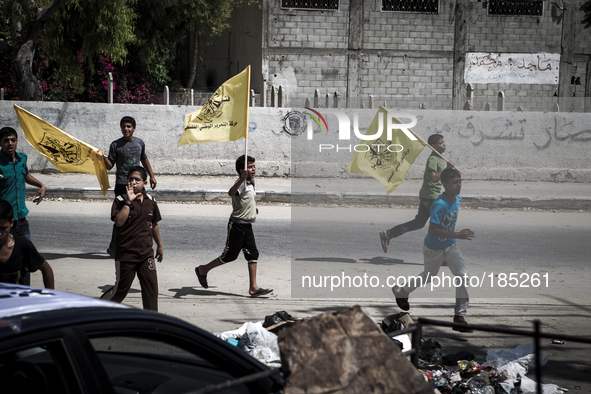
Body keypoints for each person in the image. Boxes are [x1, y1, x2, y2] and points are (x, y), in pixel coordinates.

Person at [392, 168, 475, 332]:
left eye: (460, 182)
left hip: (451, 246)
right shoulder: (439, 204)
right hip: (433, 249)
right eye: (454, 183)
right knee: (428, 276)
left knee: (463, 276)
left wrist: (454, 237)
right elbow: (432, 231)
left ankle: (459, 316)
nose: (458, 185)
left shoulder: (457, 199)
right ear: (444, 184)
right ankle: (402, 292)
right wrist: (457, 234)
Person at [195, 155, 273, 298]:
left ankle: (253, 288)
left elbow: (248, 198)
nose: (253, 169)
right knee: (229, 256)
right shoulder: (241, 183)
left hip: (247, 226)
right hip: (237, 226)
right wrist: (241, 179)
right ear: (241, 170)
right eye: (250, 167)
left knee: (253, 254)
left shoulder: (251, 182)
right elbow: (231, 193)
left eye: (254, 166)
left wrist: (253, 207)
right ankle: (203, 269)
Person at [100, 166, 163, 311]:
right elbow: (119, 222)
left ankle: (152, 321)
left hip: (146, 254)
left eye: (137, 180)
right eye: (131, 179)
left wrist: (159, 245)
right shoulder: (120, 200)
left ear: (145, 183)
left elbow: (153, 225)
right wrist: (128, 202)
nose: (133, 182)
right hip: (126, 254)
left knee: (151, 289)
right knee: (121, 290)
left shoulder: (151, 201)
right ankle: (99, 308)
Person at [380, 133, 454, 253]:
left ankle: (388, 234)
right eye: (440, 143)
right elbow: (434, 178)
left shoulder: (439, 158)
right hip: (431, 197)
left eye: (443, 142)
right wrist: (447, 169)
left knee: (419, 223)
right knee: (441, 225)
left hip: (427, 195)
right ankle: (440, 254)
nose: (444, 144)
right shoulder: (433, 159)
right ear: (432, 146)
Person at [101, 116, 157, 257]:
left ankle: (135, 244)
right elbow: (109, 166)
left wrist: (152, 175)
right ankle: (113, 247)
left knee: (140, 213)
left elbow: (144, 159)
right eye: (124, 126)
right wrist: (102, 157)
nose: (126, 129)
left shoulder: (139, 143)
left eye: (129, 126)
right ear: (121, 128)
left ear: (133, 128)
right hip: (122, 184)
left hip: (137, 184)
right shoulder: (115, 145)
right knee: (121, 216)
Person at [0, 126, 47, 285]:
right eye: (6, 141)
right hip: (5, 222)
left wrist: (41, 185)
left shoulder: (22, 159)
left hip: (21, 220)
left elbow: (25, 175)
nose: (10, 143)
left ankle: (25, 292)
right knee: (6, 260)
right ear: (0, 143)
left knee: (26, 259)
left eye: (13, 140)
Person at [0, 199, 54, 289]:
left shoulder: (22, 245)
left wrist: (51, 296)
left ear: (11, 223)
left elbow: (46, 269)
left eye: (3, 228)